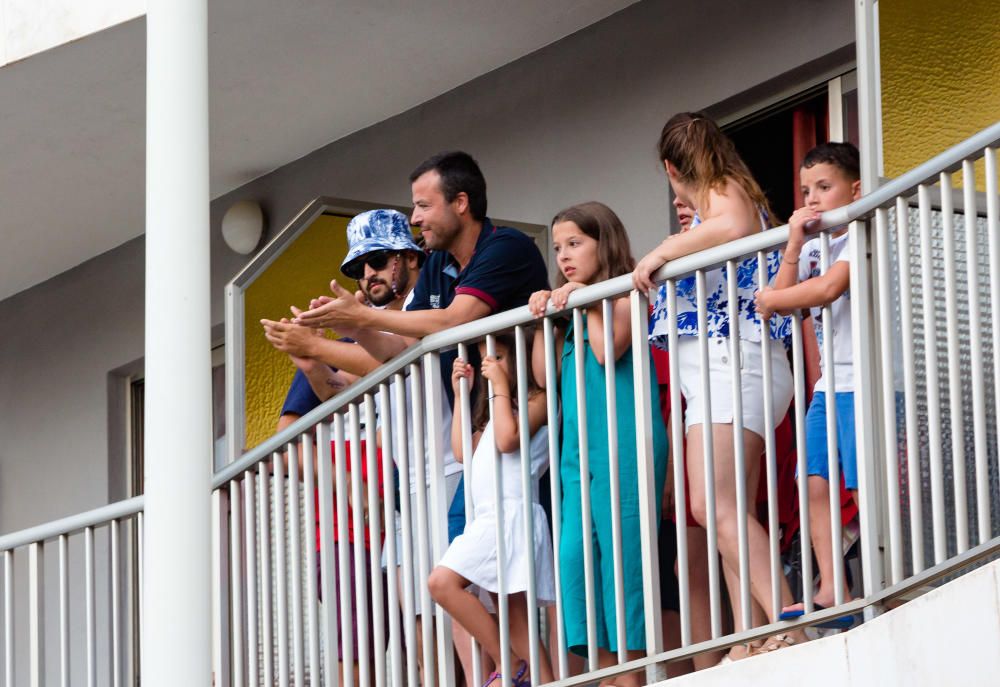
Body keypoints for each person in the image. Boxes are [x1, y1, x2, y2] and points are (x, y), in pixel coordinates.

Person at [294, 152, 549, 684]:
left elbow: (453, 322)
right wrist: (333, 338)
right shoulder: (439, 266)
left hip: (499, 436)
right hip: (461, 449)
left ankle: (525, 672)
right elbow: (391, 348)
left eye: (422, 205)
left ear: (461, 202)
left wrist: (354, 321)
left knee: (482, 588)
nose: (416, 217)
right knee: (438, 605)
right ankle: (510, 672)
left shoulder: (505, 247)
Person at [633, 112, 805, 656]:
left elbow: (732, 228)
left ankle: (786, 619)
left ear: (669, 167)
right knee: (730, 510)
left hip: (731, 366)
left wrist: (663, 250)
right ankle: (751, 636)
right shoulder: (721, 202)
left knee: (712, 506)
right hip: (727, 372)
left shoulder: (723, 196)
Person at [266, 208, 425, 684]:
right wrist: (350, 483)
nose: (367, 275)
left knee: (425, 630)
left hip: (414, 506)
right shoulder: (341, 343)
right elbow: (289, 437)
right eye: (358, 268)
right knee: (359, 647)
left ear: (408, 258)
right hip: (349, 527)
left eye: (376, 260)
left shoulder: (426, 319)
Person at [529, 201, 668, 687]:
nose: (564, 256)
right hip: (578, 457)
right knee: (575, 559)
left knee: (622, 555)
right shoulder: (576, 309)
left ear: (602, 242)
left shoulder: (622, 294)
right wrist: (544, 318)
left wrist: (585, 298)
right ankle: (606, 673)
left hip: (623, 445)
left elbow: (609, 350)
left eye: (575, 244)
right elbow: (545, 378)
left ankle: (631, 675)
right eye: (558, 248)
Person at [755, 141, 862, 628]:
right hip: (829, 386)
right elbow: (779, 299)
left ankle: (884, 573)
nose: (813, 199)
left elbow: (826, 289)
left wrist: (773, 300)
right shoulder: (816, 245)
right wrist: (794, 244)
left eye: (824, 187)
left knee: (863, 481)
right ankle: (831, 586)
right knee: (814, 481)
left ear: (855, 190)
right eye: (805, 191)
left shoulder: (863, 229)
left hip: (865, 377)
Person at [429, 332, 555, 687]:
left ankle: (508, 662)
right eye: (485, 359)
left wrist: (499, 386)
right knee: (516, 618)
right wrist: (461, 397)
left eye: (497, 358)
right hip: (488, 518)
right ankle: (538, 676)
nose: (489, 367)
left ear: (521, 359)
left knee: (442, 583)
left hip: (510, 515)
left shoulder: (539, 400)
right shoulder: (495, 408)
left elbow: (507, 439)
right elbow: (460, 454)